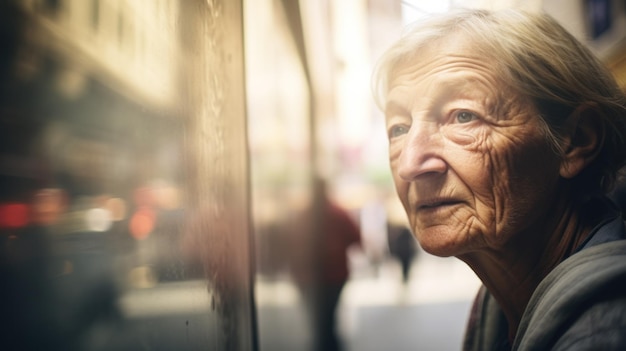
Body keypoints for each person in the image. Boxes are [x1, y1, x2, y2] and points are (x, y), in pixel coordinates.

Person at [372, 8, 626, 350]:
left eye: (464, 116)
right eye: (399, 128)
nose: (410, 164)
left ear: (576, 140)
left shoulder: (603, 328)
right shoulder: (498, 307)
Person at [288, 177, 361, 351]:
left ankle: (324, 343)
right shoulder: (337, 212)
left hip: (309, 277)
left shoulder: (303, 215)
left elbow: (291, 244)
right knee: (327, 318)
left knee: (319, 320)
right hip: (334, 276)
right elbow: (356, 238)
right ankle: (329, 344)